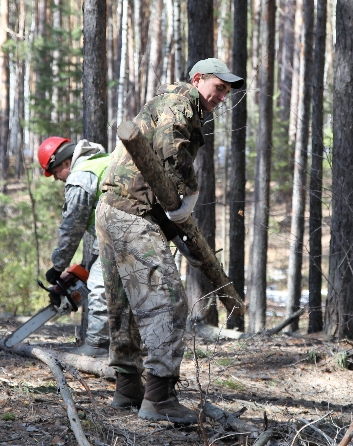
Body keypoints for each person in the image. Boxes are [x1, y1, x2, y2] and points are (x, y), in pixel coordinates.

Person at [95, 58, 244, 423]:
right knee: (169, 301)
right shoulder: (181, 102)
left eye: (226, 91)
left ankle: (128, 387)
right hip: (131, 210)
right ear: (198, 79)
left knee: (125, 304)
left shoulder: (174, 104)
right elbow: (171, 150)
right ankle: (159, 397)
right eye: (218, 87)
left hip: (114, 207)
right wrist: (187, 193)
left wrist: (176, 223)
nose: (221, 96)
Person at [38, 136, 113, 357]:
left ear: (65, 163)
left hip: (120, 237)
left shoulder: (81, 177)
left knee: (100, 288)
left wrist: (57, 267)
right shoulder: (102, 161)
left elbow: (72, 226)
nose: (56, 179)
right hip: (130, 233)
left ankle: (98, 346)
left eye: (55, 173)